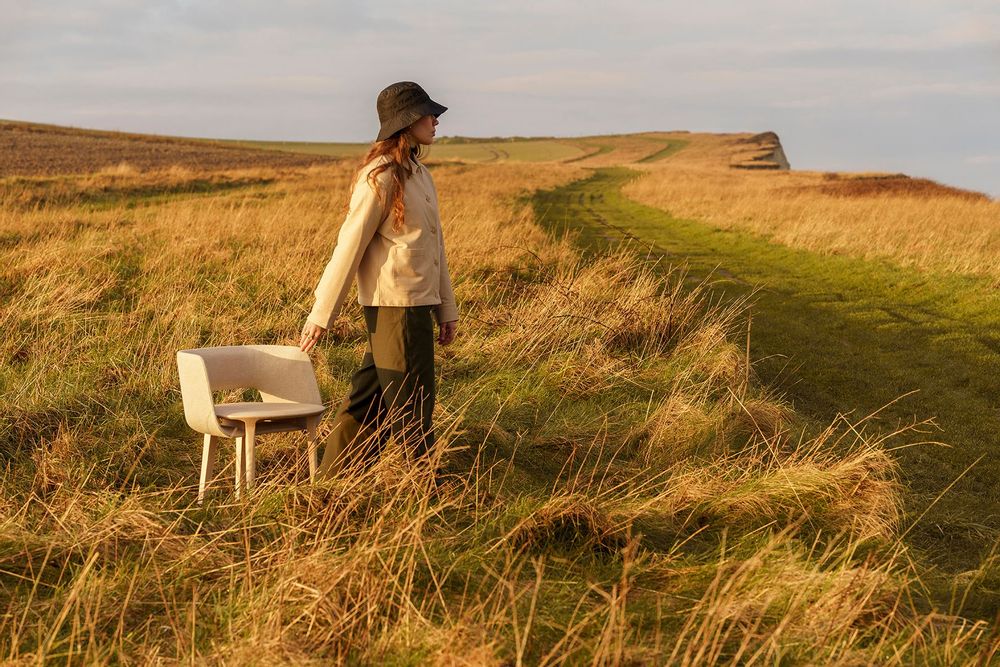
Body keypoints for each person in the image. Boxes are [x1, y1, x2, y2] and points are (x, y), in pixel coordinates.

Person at [299, 81, 459, 478]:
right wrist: (322, 314)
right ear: (407, 121)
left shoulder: (419, 173)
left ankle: (330, 484)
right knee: (412, 407)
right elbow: (349, 246)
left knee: (368, 402)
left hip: (416, 306)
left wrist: (446, 308)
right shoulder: (381, 176)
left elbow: (435, 246)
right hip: (395, 309)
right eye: (428, 114)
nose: (435, 120)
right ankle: (425, 490)